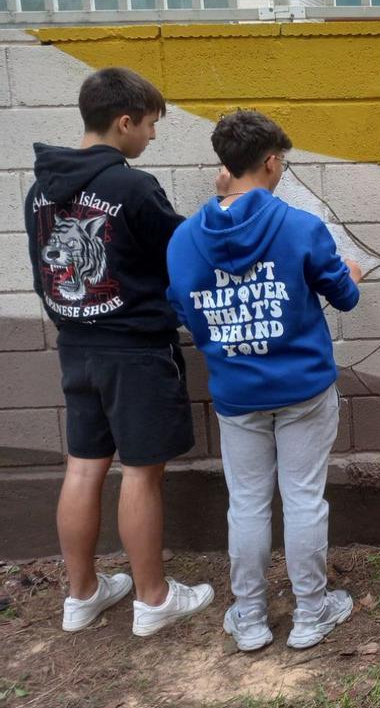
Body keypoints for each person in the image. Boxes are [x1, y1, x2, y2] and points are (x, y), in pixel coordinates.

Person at [24, 67, 214, 636]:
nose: (152, 136)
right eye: (151, 125)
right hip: (132, 350)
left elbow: (42, 275)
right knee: (141, 474)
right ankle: (153, 599)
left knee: (82, 469)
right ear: (124, 121)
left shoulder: (39, 191)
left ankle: (81, 595)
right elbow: (180, 249)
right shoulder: (132, 186)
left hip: (76, 347)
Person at [166, 110, 362, 651]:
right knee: (302, 500)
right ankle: (311, 613)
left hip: (236, 393)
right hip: (303, 389)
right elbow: (344, 296)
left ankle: (249, 618)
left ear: (225, 165)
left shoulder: (183, 240)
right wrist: (350, 274)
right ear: (272, 162)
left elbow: (182, 308)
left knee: (247, 504)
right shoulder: (301, 227)